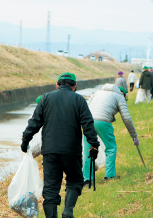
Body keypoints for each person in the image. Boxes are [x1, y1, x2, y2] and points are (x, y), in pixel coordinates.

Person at [21, 72, 100, 218]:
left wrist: (25, 140)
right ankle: (68, 211)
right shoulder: (79, 100)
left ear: (57, 85)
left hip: (50, 151)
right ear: (74, 86)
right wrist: (94, 145)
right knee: (75, 180)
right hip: (72, 151)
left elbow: (34, 122)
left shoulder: (46, 98)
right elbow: (88, 124)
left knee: (50, 189)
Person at [82, 84, 139, 184]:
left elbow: (85, 107)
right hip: (103, 122)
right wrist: (134, 136)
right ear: (123, 94)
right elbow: (126, 118)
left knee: (88, 150)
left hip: (87, 121)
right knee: (111, 148)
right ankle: (109, 176)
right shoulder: (120, 96)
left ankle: (86, 179)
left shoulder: (97, 92)